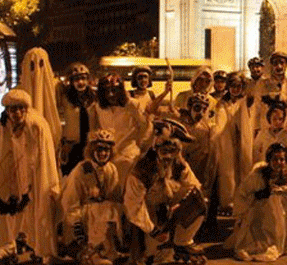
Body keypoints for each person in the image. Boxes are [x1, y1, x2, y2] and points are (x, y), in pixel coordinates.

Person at [0, 89, 60, 265]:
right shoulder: (0, 128)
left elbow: (46, 158)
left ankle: (34, 249)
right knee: (10, 219)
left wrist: (48, 183)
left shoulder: (37, 126)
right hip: (10, 182)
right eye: (12, 110)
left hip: (33, 179)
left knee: (33, 217)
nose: (17, 113)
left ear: (26, 109)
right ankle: (10, 249)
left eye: (20, 109)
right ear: (7, 111)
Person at [123, 118, 207, 265]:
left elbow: (193, 185)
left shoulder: (179, 164)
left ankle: (183, 242)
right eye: (164, 150)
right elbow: (133, 207)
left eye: (172, 150)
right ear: (156, 148)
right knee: (150, 254)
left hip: (167, 209)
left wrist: (180, 205)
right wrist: (153, 230)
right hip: (145, 218)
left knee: (197, 199)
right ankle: (145, 251)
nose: (168, 155)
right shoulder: (142, 169)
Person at [231, 142, 287, 262]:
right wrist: (257, 196)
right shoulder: (258, 175)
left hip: (282, 217)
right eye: (275, 159)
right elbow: (242, 193)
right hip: (261, 216)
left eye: (282, 159)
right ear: (269, 160)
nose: (279, 163)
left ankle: (281, 239)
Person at [60, 129, 122, 265]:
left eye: (106, 150)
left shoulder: (111, 169)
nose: (103, 153)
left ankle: (108, 249)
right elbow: (70, 202)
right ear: (91, 150)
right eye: (99, 149)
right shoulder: (82, 170)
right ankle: (91, 253)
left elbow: (114, 198)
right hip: (81, 221)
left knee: (112, 207)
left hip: (101, 220)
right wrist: (78, 230)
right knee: (97, 207)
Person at [89, 73, 149, 187]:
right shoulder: (98, 107)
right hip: (106, 157)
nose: (111, 94)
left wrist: (141, 148)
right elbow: (94, 131)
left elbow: (145, 128)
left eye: (114, 90)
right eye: (107, 91)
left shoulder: (132, 105)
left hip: (129, 156)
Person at [211, 71, 253, 215]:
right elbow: (220, 122)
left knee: (244, 169)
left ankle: (243, 200)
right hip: (227, 139)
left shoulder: (245, 101)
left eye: (238, 86)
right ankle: (228, 202)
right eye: (233, 86)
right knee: (228, 172)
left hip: (243, 139)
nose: (236, 89)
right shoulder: (223, 103)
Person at [19, 47, 61, 152]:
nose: (37, 70)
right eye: (32, 65)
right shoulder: (19, 93)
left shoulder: (56, 87)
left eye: (41, 64)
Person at [59, 62, 98, 175]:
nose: (80, 82)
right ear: (71, 81)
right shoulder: (65, 98)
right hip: (71, 145)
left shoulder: (94, 97)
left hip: (89, 145)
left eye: (83, 78)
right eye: (76, 79)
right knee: (70, 177)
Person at [251, 51, 287, 132]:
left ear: (286, 64)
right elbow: (257, 107)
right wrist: (256, 128)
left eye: (281, 63)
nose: (279, 66)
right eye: (275, 63)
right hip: (267, 129)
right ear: (271, 65)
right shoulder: (262, 84)